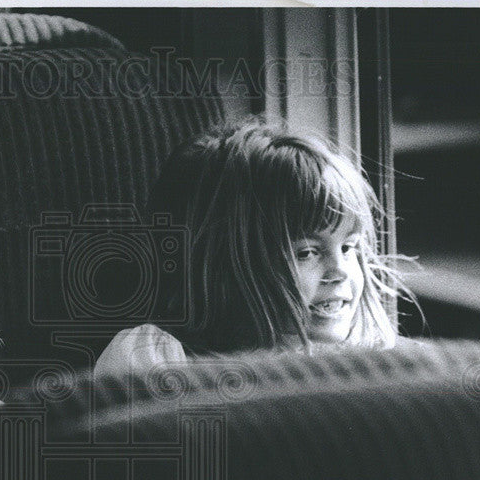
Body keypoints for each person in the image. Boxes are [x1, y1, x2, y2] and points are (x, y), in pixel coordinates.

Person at [94, 121, 416, 381]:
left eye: (348, 248)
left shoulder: (363, 366)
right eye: (307, 253)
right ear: (227, 264)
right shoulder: (154, 358)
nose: (341, 271)